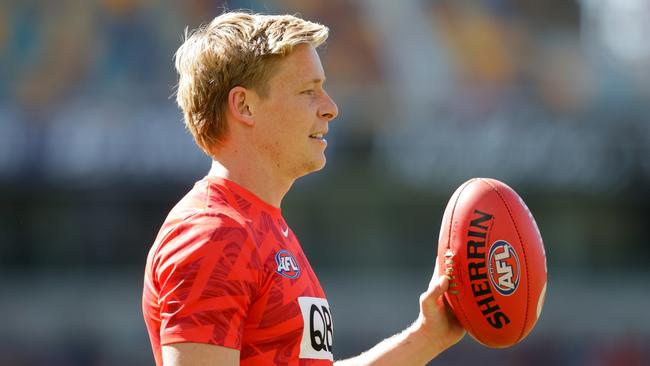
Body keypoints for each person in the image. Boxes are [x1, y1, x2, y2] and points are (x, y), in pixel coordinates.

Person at [142, 11, 464, 366]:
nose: (330, 108)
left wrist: (427, 336)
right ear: (244, 106)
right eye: (308, 91)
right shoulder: (214, 233)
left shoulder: (257, 225)